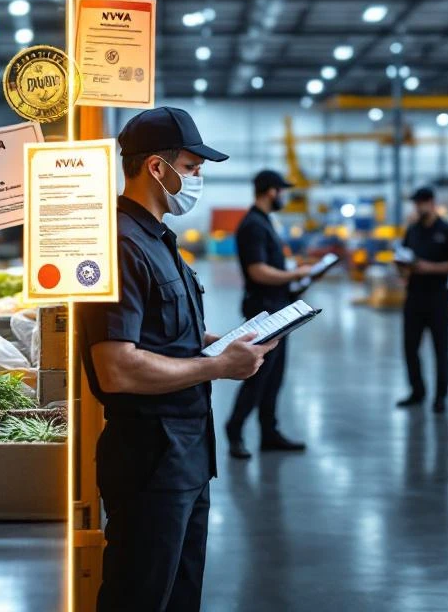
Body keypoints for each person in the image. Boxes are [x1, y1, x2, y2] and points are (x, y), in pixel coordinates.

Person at [80, 107, 277, 612]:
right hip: (150, 461)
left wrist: (228, 342)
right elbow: (116, 367)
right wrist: (217, 366)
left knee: (180, 597)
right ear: (156, 168)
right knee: (140, 598)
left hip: (187, 455)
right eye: (191, 168)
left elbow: (167, 336)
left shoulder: (160, 241)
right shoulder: (119, 245)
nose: (198, 179)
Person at [224, 170, 312, 460]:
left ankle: (269, 433)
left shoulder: (265, 222)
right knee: (258, 376)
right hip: (264, 310)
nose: (284, 196)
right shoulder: (253, 225)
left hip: (279, 307)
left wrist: (295, 277)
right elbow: (257, 271)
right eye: (282, 191)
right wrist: (294, 273)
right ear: (271, 191)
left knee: (274, 376)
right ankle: (234, 432)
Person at [396, 186, 448, 414]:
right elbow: (404, 255)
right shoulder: (412, 230)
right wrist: (402, 268)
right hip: (414, 297)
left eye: (422, 202)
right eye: (416, 203)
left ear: (432, 202)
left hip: (437, 298)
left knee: (440, 349)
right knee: (410, 348)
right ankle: (418, 391)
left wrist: (431, 268)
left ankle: (440, 397)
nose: (418, 206)